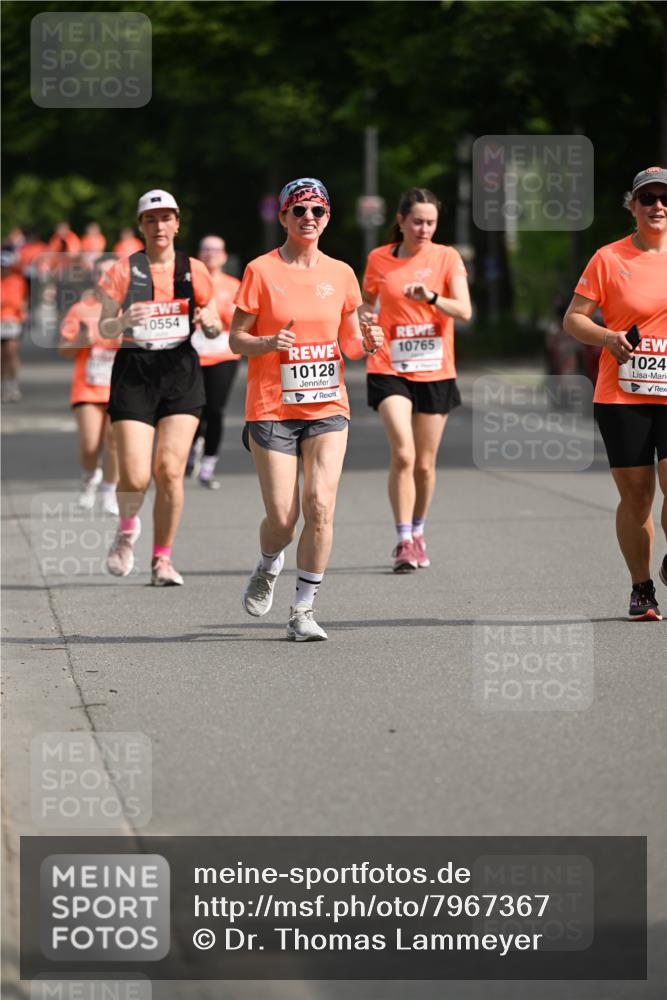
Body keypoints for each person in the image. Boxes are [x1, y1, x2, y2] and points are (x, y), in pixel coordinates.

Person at [229, 177, 383, 641]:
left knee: (320, 506)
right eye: (299, 211)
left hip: (328, 407)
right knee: (282, 519)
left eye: (317, 211)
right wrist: (267, 342)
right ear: (283, 217)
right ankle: (268, 563)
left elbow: (351, 345)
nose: (309, 219)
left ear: (328, 217)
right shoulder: (260, 270)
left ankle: (303, 610)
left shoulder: (341, 273)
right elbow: (236, 338)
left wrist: (370, 343)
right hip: (272, 406)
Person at [97, 189, 222, 586]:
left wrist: (213, 324)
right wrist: (122, 321)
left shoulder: (194, 269)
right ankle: (127, 528)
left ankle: (162, 559)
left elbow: (213, 315)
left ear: (177, 223)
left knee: (169, 470)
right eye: (151, 219)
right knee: (135, 476)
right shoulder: (122, 270)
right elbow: (102, 327)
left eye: (166, 218)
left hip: (181, 370)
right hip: (135, 370)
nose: (159, 226)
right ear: (141, 226)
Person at [564, 166, 667, 621]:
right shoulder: (608, 258)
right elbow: (574, 319)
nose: (658, 206)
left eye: (666, 198)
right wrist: (607, 337)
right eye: (649, 199)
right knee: (639, 495)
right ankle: (641, 587)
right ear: (633, 206)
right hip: (623, 393)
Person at [359, 187, 471, 572]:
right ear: (401, 221)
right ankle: (404, 538)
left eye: (431, 222)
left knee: (424, 464)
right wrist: (363, 320)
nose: (424, 229)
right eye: (417, 221)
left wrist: (432, 298)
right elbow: (364, 304)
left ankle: (419, 531)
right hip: (389, 367)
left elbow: (465, 309)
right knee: (403, 453)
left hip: (436, 369)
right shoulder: (378, 259)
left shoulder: (447, 257)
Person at [59, 259, 120, 514]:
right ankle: (88, 480)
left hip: (119, 387)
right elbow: (64, 350)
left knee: (115, 442)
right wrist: (83, 340)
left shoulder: (128, 310)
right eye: (102, 274)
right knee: (89, 444)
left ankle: (109, 491)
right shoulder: (81, 310)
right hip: (88, 387)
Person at [187, 235, 241, 489]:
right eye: (206, 249)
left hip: (223, 354)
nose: (211, 254)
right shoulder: (189, 283)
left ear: (224, 255)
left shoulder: (233, 285)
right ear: (199, 253)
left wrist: (218, 316)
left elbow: (240, 321)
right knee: (193, 408)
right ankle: (190, 449)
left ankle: (208, 465)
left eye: (216, 250)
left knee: (215, 409)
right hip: (193, 354)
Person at [1, 250, 28, 402]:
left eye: (5, 266)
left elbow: (20, 301)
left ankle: (12, 384)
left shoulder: (17, 281)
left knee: (10, 352)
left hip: (11, 320)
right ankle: (3, 385)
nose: (3, 269)